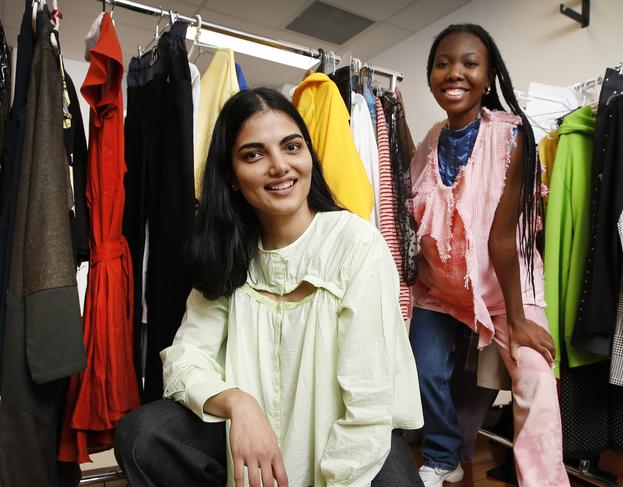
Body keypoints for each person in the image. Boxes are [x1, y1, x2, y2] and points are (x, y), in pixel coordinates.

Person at [114, 87, 424, 487]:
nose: (280, 166)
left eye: (291, 146)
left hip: (346, 437)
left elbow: (368, 403)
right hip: (250, 446)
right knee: (144, 435)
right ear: (230, 176)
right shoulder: (227, 251)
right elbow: (185, 360)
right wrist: (238, 404)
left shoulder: (355, 242)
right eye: (254, 154)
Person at [408, 24, 570, 487]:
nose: (454, 73)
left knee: (535, 375)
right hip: (441, 286)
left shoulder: (512, 135)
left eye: (469, 63)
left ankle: (543, 481)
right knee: (423, 369)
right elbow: (415, 211)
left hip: (506, 288)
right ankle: (444, 454)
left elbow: (501, 237)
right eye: (443, 64)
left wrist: (518, 319)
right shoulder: (431, 139)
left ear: (489, 73)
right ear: (431, 75)